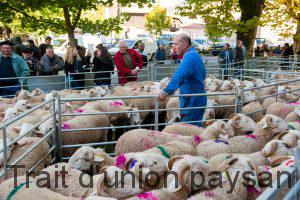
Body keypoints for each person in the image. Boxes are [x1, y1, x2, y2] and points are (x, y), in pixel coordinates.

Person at [158, 33, 207, 127]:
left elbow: (181, 75)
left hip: (192, 100)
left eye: (176, 44)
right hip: (197, 97)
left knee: (188, 131)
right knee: (193, 129)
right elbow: (203, 75)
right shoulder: (195, 55)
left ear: (185, 44)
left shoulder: (189, 56)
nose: (174, 47)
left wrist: (167, 91)